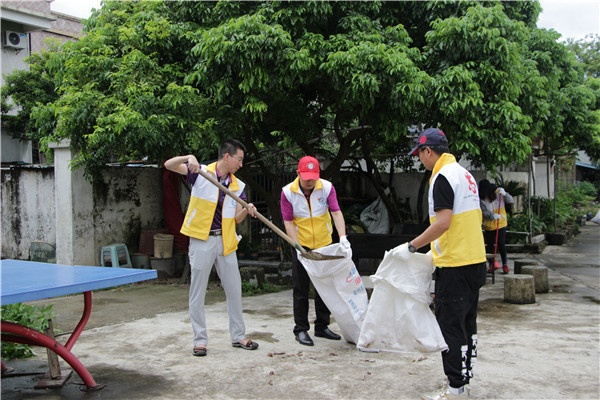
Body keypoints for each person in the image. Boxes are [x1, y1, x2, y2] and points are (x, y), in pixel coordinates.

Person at [401, 128, 487, 399]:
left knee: (450, 326)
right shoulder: (464, 174)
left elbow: (443, 222)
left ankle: (455, 387)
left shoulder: (442, 177)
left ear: (428, 150)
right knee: (467, 324)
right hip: (475, 260)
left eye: (420, 154)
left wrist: (412, 246)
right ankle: (464, 379)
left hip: (455, 264)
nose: (420, 160)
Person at [164, 139, 259, 357]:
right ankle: (200, 340)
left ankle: (238, 335)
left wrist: (247, 209)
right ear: (227, 156)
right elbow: (169, 165)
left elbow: (236, 218)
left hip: (226, 241)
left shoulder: (238, 186)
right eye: (239, 159)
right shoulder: (200, 172)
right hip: (202, 239)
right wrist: (189, 158)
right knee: (198, 291)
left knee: (234, 290)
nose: (241, 164)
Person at [280, 156, 350, 346]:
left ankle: (322, 326)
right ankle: (301, 329)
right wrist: (297, 247)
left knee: (325, 287)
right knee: (301, 288)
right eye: (306, 178)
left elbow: (336, 212)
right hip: (301, 246)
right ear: (298, 173)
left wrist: (342, 237)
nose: (310, 181)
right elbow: (288, 222)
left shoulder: (326, 188)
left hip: (324, 244)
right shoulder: (287, 192)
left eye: (313, 177)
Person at [478, 179, 515, 274]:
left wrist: (505, 194)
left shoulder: (498, 194)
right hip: (489, 225)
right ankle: (492, 264)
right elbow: (483, 212)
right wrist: (492, 215)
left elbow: (511, 200)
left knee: (501, 243)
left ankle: (505, 264)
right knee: (490, 245)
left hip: (500, 223)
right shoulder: (481, 199)